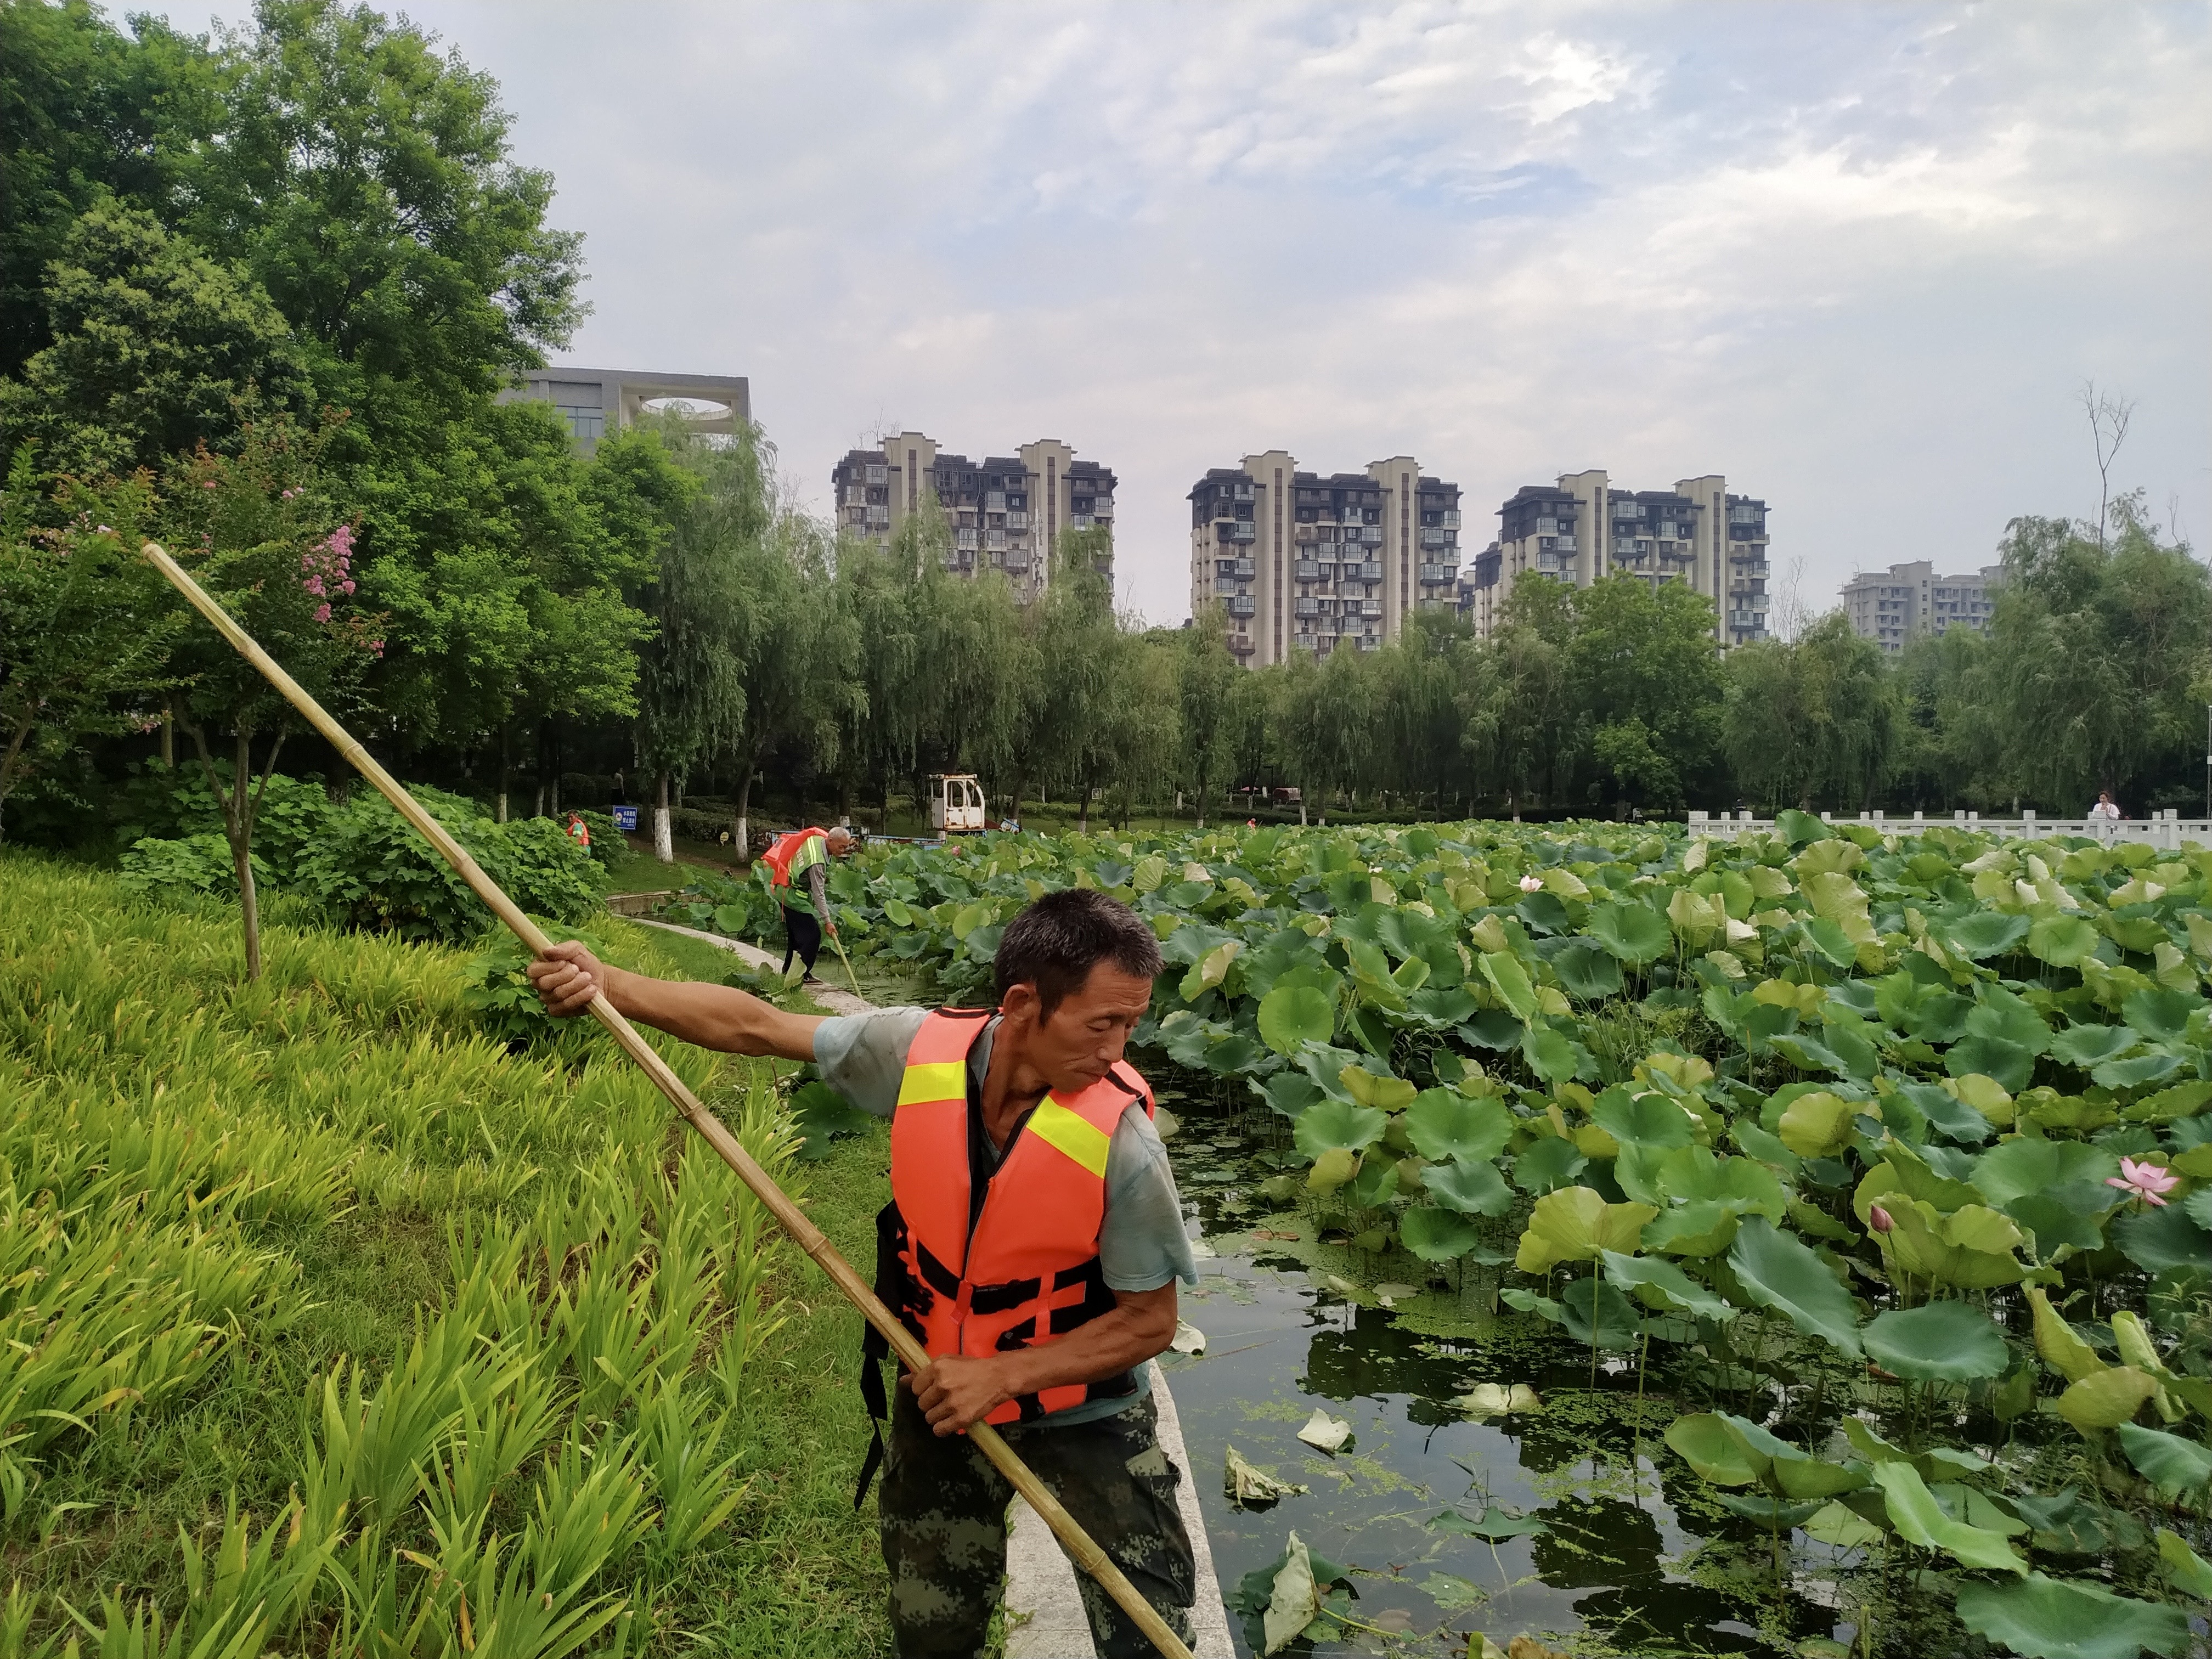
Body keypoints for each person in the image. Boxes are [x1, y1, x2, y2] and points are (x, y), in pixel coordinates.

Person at [526, 889, 1199, 1658]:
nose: (1117, 1049)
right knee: (931, 1629)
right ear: (1022, 1004)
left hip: (1087, 1416)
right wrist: (610, 983)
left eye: (1131, 1025)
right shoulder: (919, 1052)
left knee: (1148, 1636)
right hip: (940, 1385)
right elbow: (758, 1026)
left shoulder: (1125, 1142)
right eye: (1101, 1023)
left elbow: (1150, 1322)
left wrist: (1005, 1375)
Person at [760, 825, 856, 979]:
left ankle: (789, 972)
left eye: (846, 847)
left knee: (797, 936)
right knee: (812, 935)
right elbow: (819, 893)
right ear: (830, 841)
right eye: (841, 847)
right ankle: (801, 975)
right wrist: (827, 921)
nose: (843, 851)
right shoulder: (817, 862)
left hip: (783, 887)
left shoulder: (817, 838)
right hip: (792, 896)